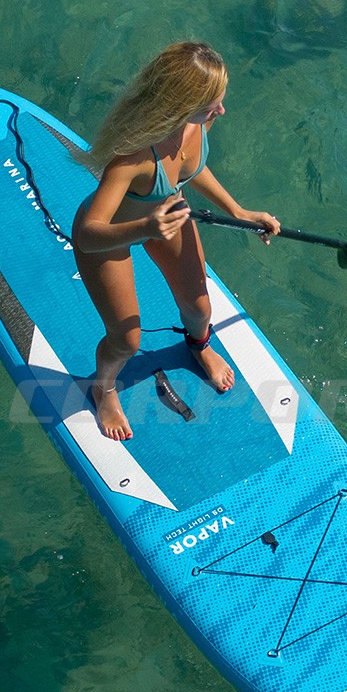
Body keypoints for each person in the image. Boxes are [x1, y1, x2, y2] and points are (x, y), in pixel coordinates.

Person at [71, 41, 281, 441]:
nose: (221, 111)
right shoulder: (132, 157)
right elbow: (87, 234)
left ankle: (198, 346)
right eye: (212, 105)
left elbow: (190, 168)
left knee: (200, 308)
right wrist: (147, 228)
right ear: (180, 105)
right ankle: (104, 389)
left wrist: (237, 210)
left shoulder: (198, 123)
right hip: (111, 236)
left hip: (164, 219)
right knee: (126, 340)